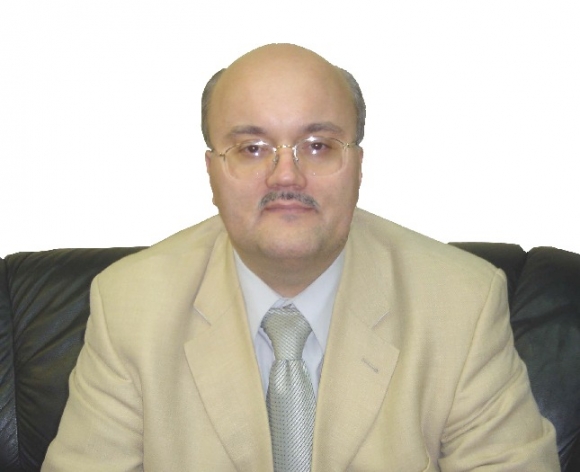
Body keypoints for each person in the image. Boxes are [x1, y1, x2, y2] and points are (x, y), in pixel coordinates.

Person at [42, 43, 559, 471]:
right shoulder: (129, 306)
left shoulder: (462, 304)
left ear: (357, 165)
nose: (286, 175)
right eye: (251, 148)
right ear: (212, 172)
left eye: (317, 145)